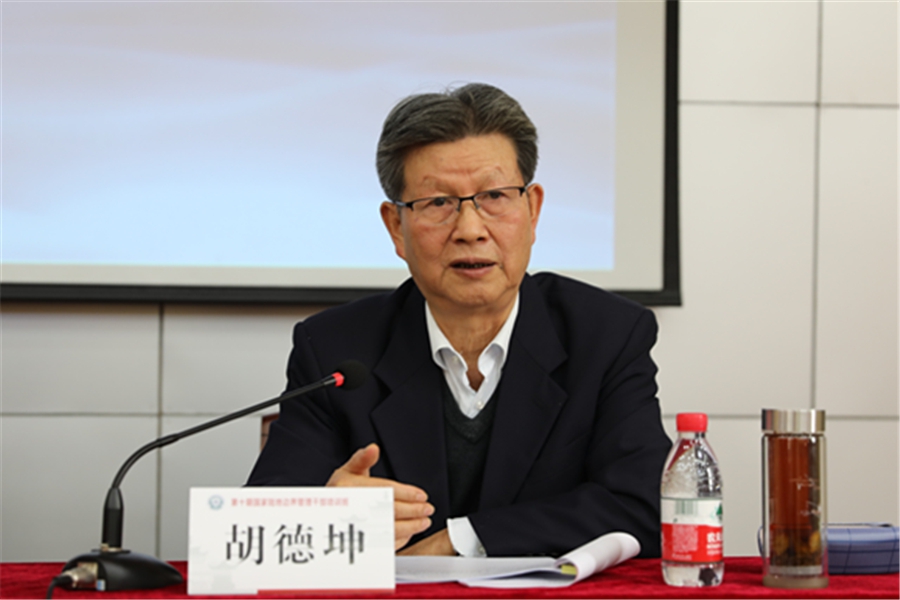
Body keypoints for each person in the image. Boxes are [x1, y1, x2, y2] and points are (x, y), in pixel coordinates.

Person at [247, 83, 672, 558]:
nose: (470, 230)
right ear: (396, 227)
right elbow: (260, 524)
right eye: (438, 203)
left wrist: (460, 540)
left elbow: (645, 504)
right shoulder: (335, 349)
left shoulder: (606, 336)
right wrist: (324, 512)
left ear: (532, 210)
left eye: (495, 196)